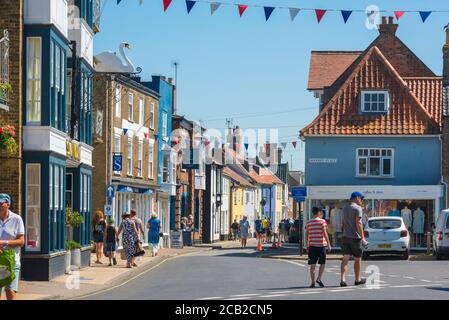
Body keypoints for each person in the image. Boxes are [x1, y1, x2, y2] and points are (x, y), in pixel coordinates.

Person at [340, 192, 368, 287]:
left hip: (345, 237)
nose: (361, 200)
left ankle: (342, 279)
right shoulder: (358, 208)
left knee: (345, 259)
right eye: (361, 198)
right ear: (356, 198)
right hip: (355, 238)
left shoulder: (344, 208)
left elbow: (343, 223)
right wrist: (363, 238)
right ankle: (357, 279)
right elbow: (358, 223)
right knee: (357, 259)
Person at [0, 194, 24, 300]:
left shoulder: (17, 219)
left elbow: (21, 241)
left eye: (1, 203)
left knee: (10, 290)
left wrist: (4, 242)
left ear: (8, 204)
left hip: (12, 262)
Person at [305, 207, 331, 288]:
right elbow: (325, 233)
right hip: (321, 245)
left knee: (312, 265)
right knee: (322, 263)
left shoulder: (309, 222)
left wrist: (306, 245)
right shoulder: (322, 221)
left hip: (312, 246)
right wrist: (329, 244)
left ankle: (312, 282)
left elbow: (306, 234)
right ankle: (319, 278)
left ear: (313, 213)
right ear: (319, 212)